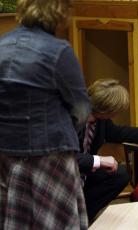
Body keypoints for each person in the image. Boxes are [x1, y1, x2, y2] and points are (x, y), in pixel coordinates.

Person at [0, 0, 90, 229]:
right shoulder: (58, 50)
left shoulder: (2, 44)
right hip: (51, 152)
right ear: (59, 12)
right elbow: (81, 109)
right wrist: (67, 129)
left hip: (7, 152)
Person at [77, 78, 138, 222]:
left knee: (120, 174)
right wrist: (98, 160)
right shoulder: (72, 117)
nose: (116, 115)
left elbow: (116, 133)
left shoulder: (100, 119)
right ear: (106, 108)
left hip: (84, 171)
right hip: (65, 174)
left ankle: (84, 216)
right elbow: (65, 156)